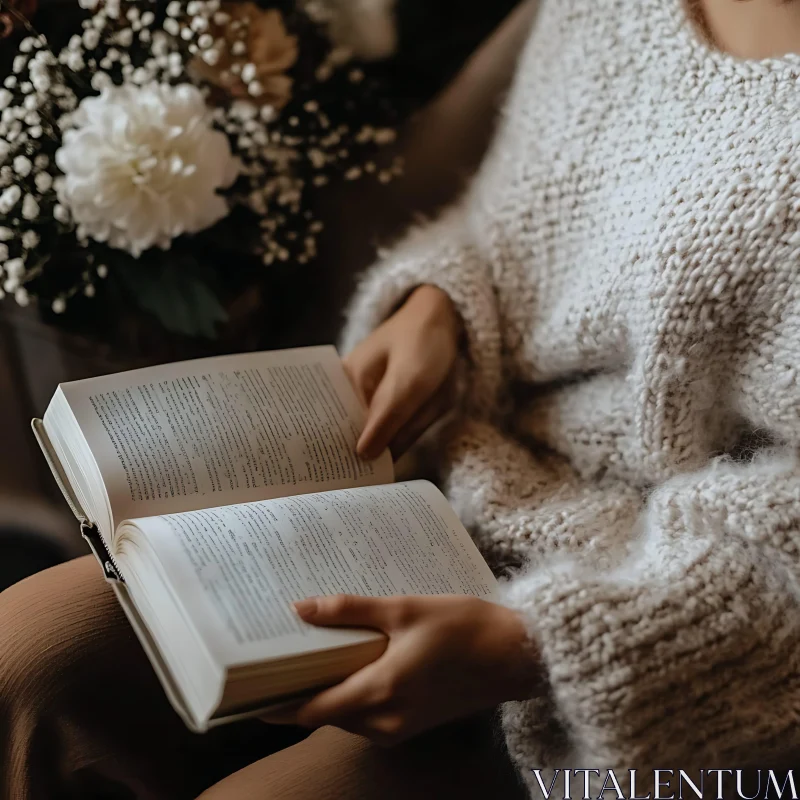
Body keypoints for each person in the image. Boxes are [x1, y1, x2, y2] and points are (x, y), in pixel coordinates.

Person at [2, 0, 799, 797]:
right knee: (25, 659)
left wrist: (537, 645)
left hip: (652, 634)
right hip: (445, 498)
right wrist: (442, 303)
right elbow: (506, 223)